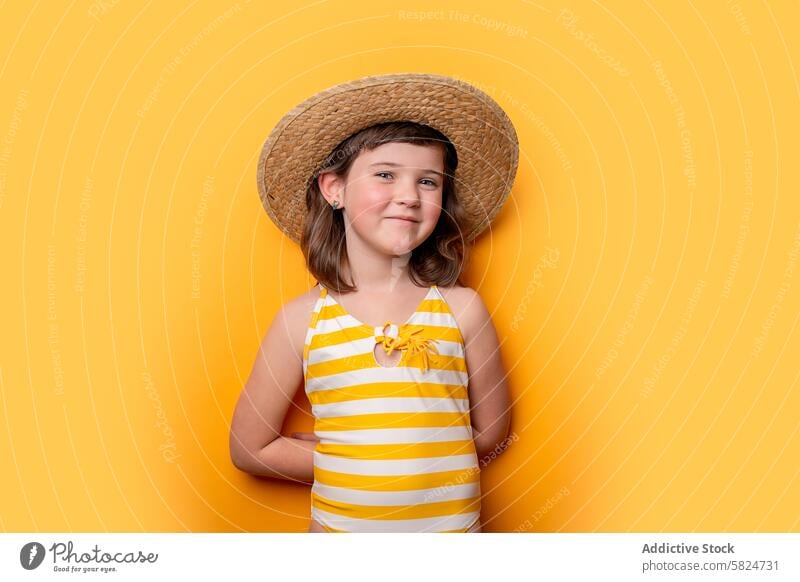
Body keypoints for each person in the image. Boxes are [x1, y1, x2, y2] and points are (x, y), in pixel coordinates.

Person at [230, 73, 519, 533]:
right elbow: (250, 450)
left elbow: (489, 433)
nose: (409, 195)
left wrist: (404, 460)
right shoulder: (301, 321)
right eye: (386, 174)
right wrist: (354, 457)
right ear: (334, 189)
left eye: (428, 181)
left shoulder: (463, 310)